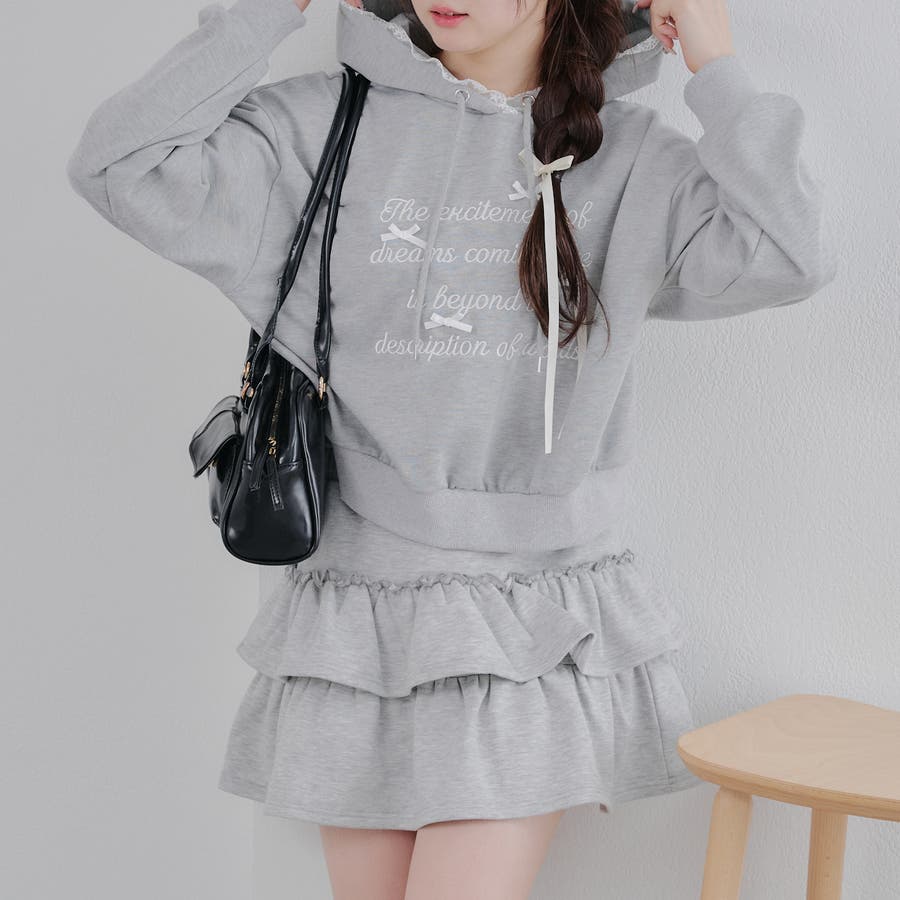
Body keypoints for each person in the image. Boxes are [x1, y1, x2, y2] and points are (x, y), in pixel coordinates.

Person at [65, 0, 837, 895]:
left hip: (528, 614)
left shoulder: (628, 158)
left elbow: (793, 253)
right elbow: (117, 165)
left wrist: (717, 65)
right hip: (358, 613)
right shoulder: (322, 126)